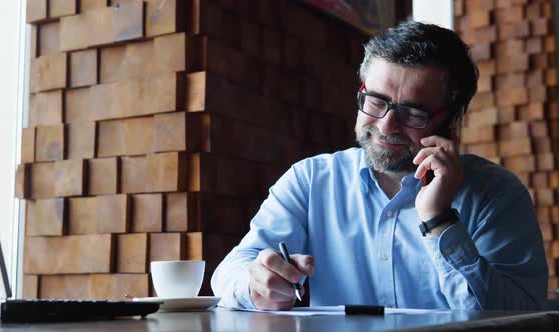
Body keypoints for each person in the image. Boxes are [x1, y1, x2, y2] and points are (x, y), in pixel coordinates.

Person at [211, 21, 548, 311]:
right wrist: (257, 284)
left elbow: (516, 318)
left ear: (451, 123)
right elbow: (228, 274)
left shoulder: (497, 194)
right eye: (376, 101)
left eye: (413, 113)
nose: (386, 126)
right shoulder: (310, 181)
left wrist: (440, 220)